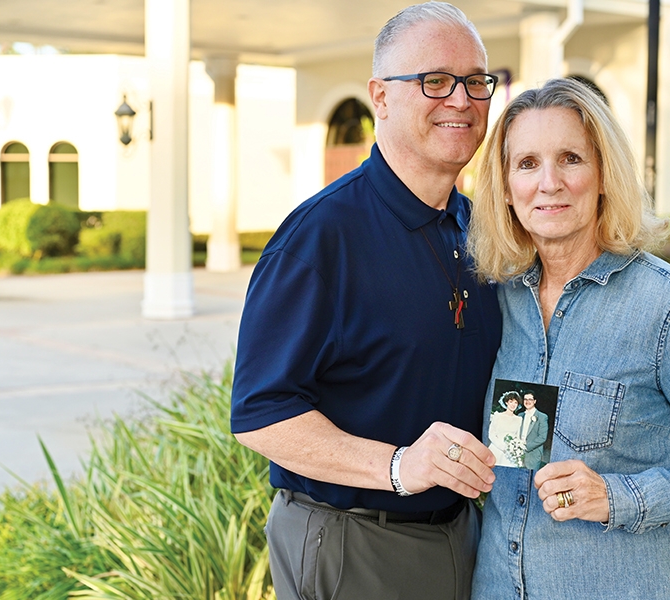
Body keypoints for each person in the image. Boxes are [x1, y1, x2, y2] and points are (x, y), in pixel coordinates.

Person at [465, 78, 670, 599]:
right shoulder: (502, 301)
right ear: (505, 186)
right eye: (527, 164)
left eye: (570, 158)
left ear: (605, 173)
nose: (549, 183)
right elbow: (519, 459)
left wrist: (618, 495)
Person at [230, 4, 502, 599]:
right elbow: (260, 413)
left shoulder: (480, 231)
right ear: (380, 96)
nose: (461, 99)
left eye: (477, 81)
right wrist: (398, 467)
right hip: (354, 542)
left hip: (465, 538)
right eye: (434, 80)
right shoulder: (320, 238)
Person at [487, 391, 524, 467]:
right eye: (511, 402)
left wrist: (515, 448)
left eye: (515, 403)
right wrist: (501, 446)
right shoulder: (498, 416)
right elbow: (491, 434)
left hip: (510, 451)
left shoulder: (519, 419)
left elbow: (518, 436)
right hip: (496, 447)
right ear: (506, 402)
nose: (513, 405)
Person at [519, 391, 549, 470]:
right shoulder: (520, 415)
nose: (527, 401)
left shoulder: (542, 417)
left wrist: (527, 447)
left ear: (534, 401)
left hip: (533, 454)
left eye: (530, 399)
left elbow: (542, 437)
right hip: (517, 452)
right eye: (525, 399)